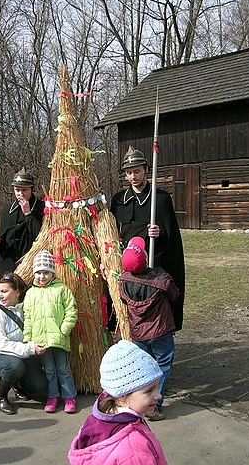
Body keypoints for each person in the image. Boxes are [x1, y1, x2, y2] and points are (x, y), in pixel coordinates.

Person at [111, 147, 185, 331]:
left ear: (146, 170)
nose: (133, 176)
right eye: (129, 172)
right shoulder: (119, 201)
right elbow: (113, 234)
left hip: (151, 267)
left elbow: (172, 239)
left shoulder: (160, 199)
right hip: (126, 269)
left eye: (137, 171)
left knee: (152, 315)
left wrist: (159, 235)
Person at [67, 339, 168, 465]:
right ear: (122, 395)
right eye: (149, 391)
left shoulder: (97, 421)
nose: (158, 396)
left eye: (157, 387)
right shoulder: (134, 448)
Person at [119, 236, 180, 421]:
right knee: (161, 365)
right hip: (160, 332)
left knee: (143, 368)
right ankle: (154, 407)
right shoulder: (161, 279)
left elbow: (123, 300)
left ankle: (139, 403)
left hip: (139, 334)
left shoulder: (123, 281)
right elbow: (174, 295)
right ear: (145, 258)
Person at [0, 272, 47, 415]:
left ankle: (16, 383)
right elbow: (0, 345)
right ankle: (1, 395)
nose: (0, 296)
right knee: (13, 366)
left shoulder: (25, 309)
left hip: (22, 354)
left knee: (39, 387)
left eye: (5, 291)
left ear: (17, 292)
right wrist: (30, 348)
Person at [23, 250, 78, 414]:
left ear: (52, 273)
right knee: (49, 370)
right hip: (41, 340)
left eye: (46, 272)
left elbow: (71, 311)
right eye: (38, 273)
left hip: (59, 338)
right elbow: (28, 317)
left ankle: (69, 397)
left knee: (63, 368)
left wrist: (65, 329)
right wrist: (28, 339)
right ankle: (52, 396)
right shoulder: (31, 293)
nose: (41, 276)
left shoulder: (62, 290)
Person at [0, 167, 44, 275]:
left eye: (24, 190)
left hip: (31, 265)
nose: (21, 194)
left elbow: (39, 236)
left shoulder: (41, 208)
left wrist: (28, 214)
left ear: (31, 189)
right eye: (17, 190)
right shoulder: (7, 210)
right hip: (9, 265)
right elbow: (5, 241)